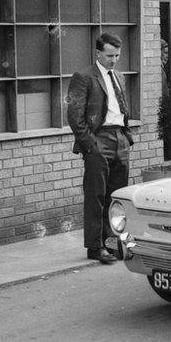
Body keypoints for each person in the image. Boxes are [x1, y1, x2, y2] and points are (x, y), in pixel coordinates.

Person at [66, 33, 134, 265]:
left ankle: (112, 243)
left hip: (119, 139)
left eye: (117, 56)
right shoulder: (83, 77)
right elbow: (75, 116)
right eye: (109, 55)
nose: (114, 60)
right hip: (98, 139)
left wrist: (126, 136)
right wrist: (90, 145)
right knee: (96, 195)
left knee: (117, 196)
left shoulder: (120, 77)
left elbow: (122, 109)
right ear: (98, 53)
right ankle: (95, 247)